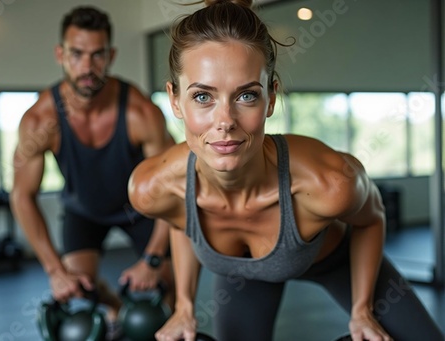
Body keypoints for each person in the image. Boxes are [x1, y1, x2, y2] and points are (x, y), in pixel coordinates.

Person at [128, 1, 445, 341]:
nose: (225, 122)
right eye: (203, 97)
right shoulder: (154, 188)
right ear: (175, 100)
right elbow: (182, 222)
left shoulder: (329, 182)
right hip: (242, 275)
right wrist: (184, 307)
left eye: (247, 95)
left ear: (271, 97)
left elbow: (371, 216)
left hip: (332, 259)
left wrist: (362, 310)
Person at [10, 6, 175, 340]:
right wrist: (55, 272)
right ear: (60, 54)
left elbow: (172, 185)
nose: (87, 67)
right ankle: (114, 306)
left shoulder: (140, 112)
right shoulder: (40, 121)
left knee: (165, 299)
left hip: (139, 209)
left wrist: (153, 260)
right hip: (83, 210)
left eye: (97, 55)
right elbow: (22, 195)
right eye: (77, 54)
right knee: (79, 289)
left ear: (111, 55)